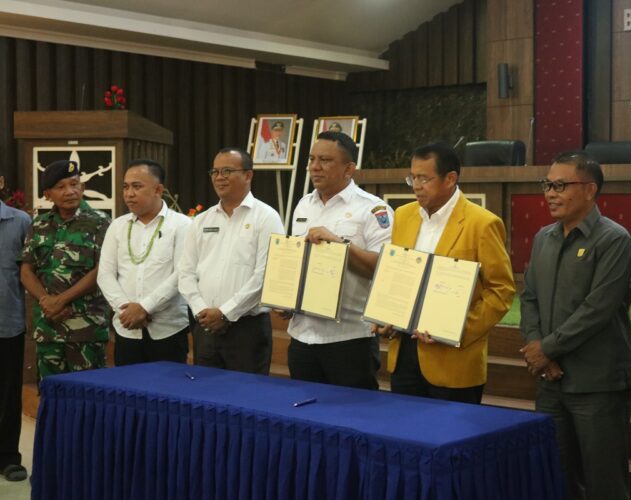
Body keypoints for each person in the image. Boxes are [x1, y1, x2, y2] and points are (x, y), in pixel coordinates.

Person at [519, 151, 631, 500]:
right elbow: (529, 299)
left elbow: (597, 310)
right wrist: (537, 347)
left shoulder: (613, 240)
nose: (550, 193)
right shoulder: (543, 238)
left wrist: (546, 349)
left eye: (560, 185)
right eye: (548, 185)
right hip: (550, 382)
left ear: (589, 189)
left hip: (596, 384)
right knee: (554, 475)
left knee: (603, 481)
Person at [376, 143, 515, 404]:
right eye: (412, 178)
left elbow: (501, 292)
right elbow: (396, 276)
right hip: (405, 352)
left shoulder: (482, 223)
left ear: (450, 179)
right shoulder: (404, 216)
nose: (416, 185)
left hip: (454, 361)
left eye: (424, 178)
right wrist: (386, 316)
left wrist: (455, 329)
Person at [285, 131, 392, 390]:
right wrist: (286, 298)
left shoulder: (374, 209)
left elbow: (384, 270)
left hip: (349, 338)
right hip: (302, 335)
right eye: (311, 159)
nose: (314, 166)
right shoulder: (303, 205)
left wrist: (340, 245)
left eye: (325, 160)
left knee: (352, 419)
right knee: (304, 420)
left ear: (349, 168)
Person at [178, 147, 284, 374]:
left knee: (246, 399)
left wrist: (225, 313)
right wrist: (201, 310)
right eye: (215, 172)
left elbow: (266, 275)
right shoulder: (202, 220)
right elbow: (185, 273)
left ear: (248, 175)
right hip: (205, 325)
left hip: (246, 329)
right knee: (205, 398)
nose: (219, 177)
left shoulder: (266, 217)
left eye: (227, 171)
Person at [20, 160, 110, 381]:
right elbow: (26, 271)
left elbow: (102, 270)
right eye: (61, 187)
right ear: (48, 194)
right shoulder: (39, 225)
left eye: (74, 184)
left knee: (89, 397)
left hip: (86, 330)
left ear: (83, 188)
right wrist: (46, 300)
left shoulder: (102, 223)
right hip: (48, 328)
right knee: (51, 396)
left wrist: (61, 300)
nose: (69, 191)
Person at [97, 159, 192, 365]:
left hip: (167, 330)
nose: (129, 194)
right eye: (125, 187)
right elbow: (105, 274)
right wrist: (126, 309)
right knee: (128, 393)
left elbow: (181, 274)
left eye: (137, 186)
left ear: (158, 189)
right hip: (127, 328)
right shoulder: (118, 226)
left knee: (166, 394)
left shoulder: (182, 225)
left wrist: (145, 308)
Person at [0, 169, 31, 482]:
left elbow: (29, 270)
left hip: (6, 321)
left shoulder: (20, 222)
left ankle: (9, 457)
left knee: (9, 394)